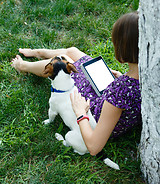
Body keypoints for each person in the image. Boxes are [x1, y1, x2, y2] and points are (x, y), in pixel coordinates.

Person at [11, 12, 141, 156]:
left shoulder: (121, 90)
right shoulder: (144, 76)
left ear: (123, 47)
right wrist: (121, 77)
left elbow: (93, 146)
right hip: (107, 95)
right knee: (73, 51)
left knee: (62, 61)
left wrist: (80, 113)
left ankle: (23, 66)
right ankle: (36, 52)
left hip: (94, 115)